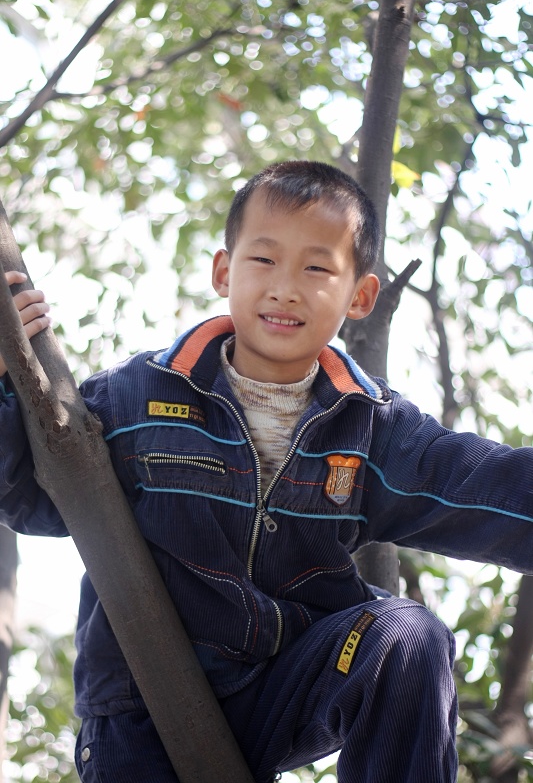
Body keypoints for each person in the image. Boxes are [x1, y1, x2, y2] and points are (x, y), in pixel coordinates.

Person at [1, 160, 532, 783]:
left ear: (360, 295)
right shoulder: (135, 396)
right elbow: (31, 496)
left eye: (316, 268)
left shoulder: (371, 429)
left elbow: (496, 494)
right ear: (225, 271)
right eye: (263, 260)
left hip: (285, 688)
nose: (285, 288)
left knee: (408, 638)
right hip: (139, 709)